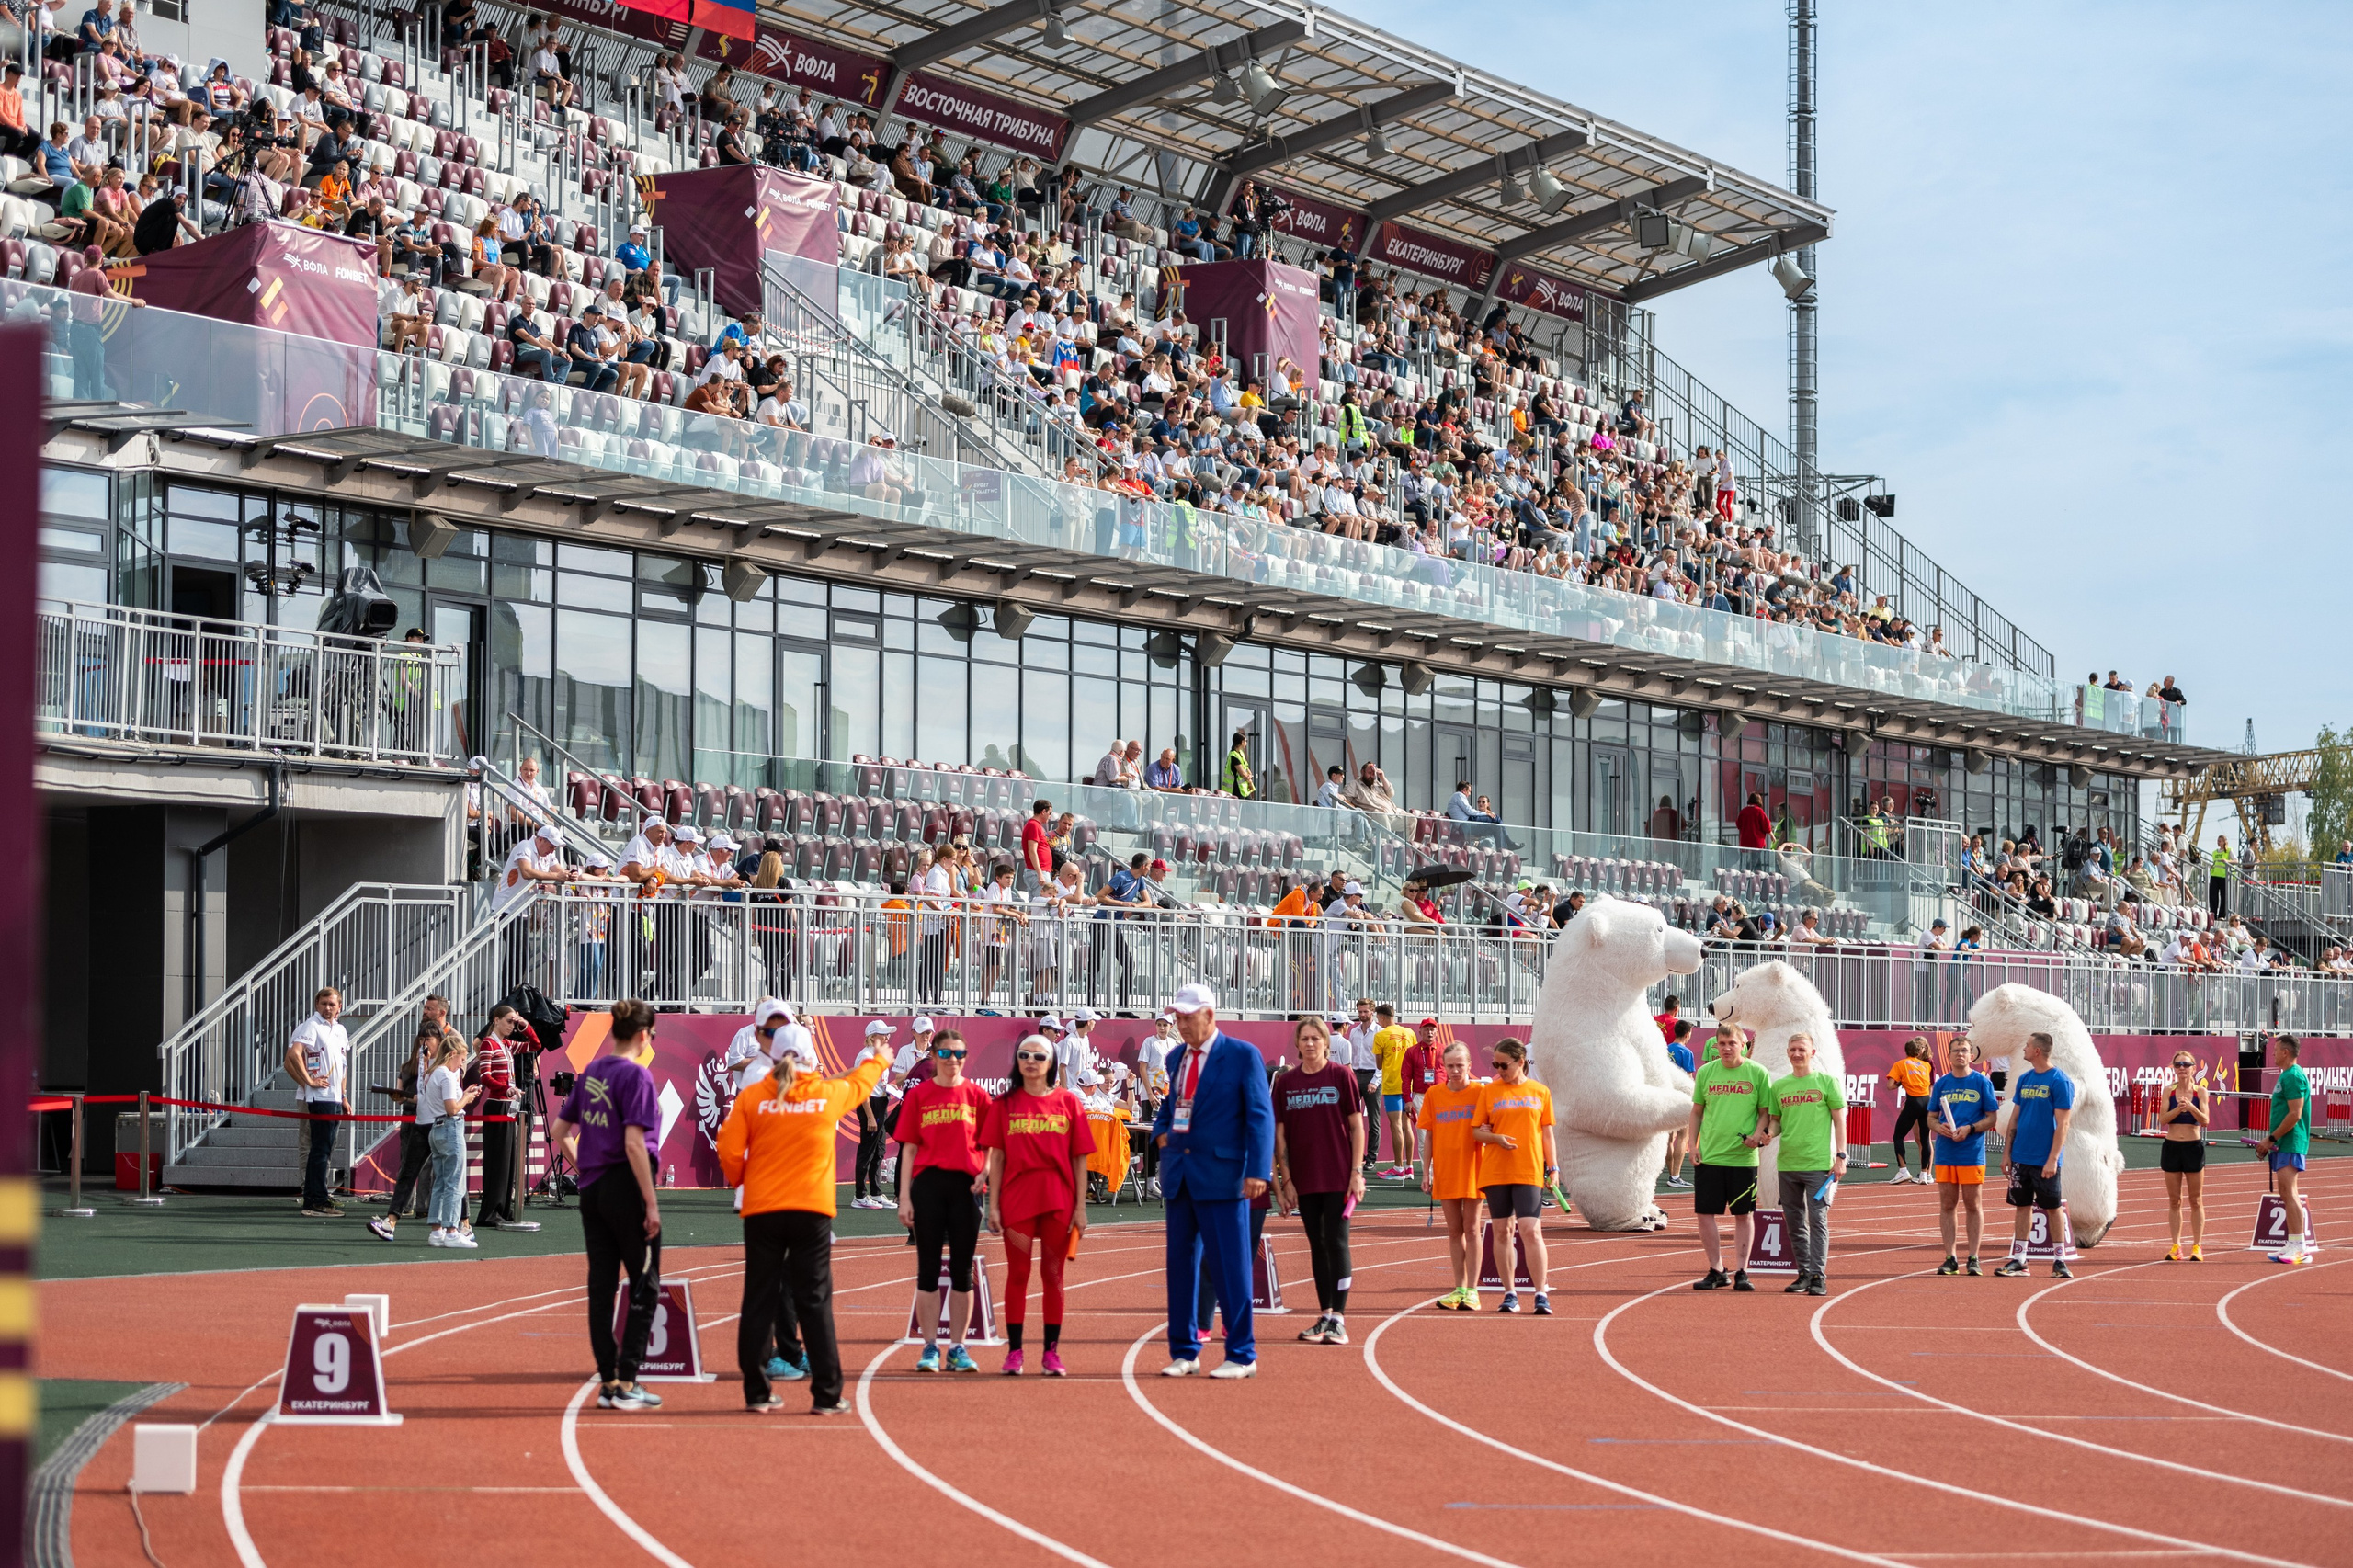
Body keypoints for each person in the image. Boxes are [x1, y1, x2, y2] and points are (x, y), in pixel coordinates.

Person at [716, 1009, 891, 1414]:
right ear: (812, 1057)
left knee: (759, 1298)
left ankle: (757, 1393)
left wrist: (744, 1180)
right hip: (811, 1209)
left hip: (762, 1209)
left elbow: (727, 1148)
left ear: (774, 1056)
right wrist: (879, 1057)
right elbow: (861, 1083)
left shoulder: (754, 1097)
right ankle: (827, 1395)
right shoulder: (824, 1095)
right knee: (814, 1302)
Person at [1152, 983, 1274, 1379]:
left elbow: (1260, 1115)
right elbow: (1171, 1106)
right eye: (1177, 1017)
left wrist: (1258, 1171)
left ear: (1209, 1015)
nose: (1181, 1024)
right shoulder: (1175, 1058)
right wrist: (1161, 1133)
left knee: (1231, 1268)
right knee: (1180, 1267)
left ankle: (1242, 1354)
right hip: (1181, 1177)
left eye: (1188, 1017)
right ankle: (1185, 1351)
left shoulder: (1241, 1055)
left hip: (1225, 1178)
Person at [551, 998, 666, 1412]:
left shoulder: (594, 1070)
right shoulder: (637, 1076)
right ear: (642, 1035)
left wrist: (586, 1168)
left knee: (602, 1285)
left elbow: (561, 1130)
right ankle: (627, 1380)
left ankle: (609, 1379)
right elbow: (635, 1143)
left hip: (594, 1189)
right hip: (625, 1186)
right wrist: (651, 1204)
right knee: (644, 1283)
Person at [982, 1032, 1094, 1375]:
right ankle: (1015, 1352)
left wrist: (1080, 1207)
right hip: (1016, 1200)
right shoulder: (1004, 1105)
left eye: (1039, 1056)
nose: (1031, 1061)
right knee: (1018, 1274)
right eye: (1024, 1055)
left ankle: (1051, 1353)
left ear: (1052, 1063)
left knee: (1052, 1275)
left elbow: (1079, 1159)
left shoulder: (1070, 1103)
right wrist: (994, 1205)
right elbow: (996, 1158)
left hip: (1058, 1202)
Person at [894, 1028, 990, 1373]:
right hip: (928, 1187)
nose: (953, 1060)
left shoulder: (977, 1096)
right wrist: (904, 1197)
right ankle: (931, 1347)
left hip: (966, 1189)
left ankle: (959, 1348)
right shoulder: (920, 1096)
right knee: (928, 1270)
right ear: (933, 1057)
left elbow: (991, 1142)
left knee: (963, 1272)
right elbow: (908, 1149)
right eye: (946, 1054)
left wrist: (986, 1172)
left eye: (960, 1054)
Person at [1272, 1017, 1367, 1344]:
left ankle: (1339, 1319)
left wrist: (1357, 1173)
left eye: (1316, 1038)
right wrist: (1286, 1181)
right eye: (1305, 1039)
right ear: (1297, 1045)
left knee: (1337, 1242)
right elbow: (1279, 1136)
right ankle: (1325, 1313)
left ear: (1327, 1042)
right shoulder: (1286, 1083)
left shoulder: (1341, 1076)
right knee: (1317, 1244)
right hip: (1304, 1177)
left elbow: (1357, 1127)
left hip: (1339, 1175)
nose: (1310, 1044)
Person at [1471, 1038, 1556, 1315]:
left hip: (1529, 1169)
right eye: (1495, 1064)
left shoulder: (1540, 1091)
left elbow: (1547, 1133)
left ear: (1520, 1062)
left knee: (1531, 1230)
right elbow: (1476, 1132)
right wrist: (1495, 1137)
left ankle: (1541, 1293)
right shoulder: (1490, 1091)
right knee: (1502, 1231)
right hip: (1496, 1170)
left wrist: (1553, 1167)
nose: (1499, 1069)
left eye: (1503, 1064)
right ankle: (1509, 1294)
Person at [1687, 1026, 1772, 1290]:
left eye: (1731, 1043)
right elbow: (1697, 1112)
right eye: (1721, 1043)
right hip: (1710, 1155)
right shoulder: (1706, 1073)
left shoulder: (1758, 1073)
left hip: (1743, 1159)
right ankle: (1716, 1269)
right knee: (1704, 1214)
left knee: (1743, 1214)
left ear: (1743, 1044)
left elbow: (1765, 1112)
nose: (1726, 1048)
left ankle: (1743, 1271)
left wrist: (1758, 1135)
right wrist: (1693, 1144)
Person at [1764, 1033, 1846, 1296]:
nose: (1796, 1054)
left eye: (1801, 1049)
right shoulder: (1780, 1086)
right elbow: (1776, 1121)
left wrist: (1841, 1156)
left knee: (1818, 1221)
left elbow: (1840, 1121)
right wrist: (1768, 1133)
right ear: (1787, 1052)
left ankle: (1818, 1276)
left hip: (1817, 1165)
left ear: (1812, 1052)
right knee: (1794, 1222)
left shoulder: (1826, 1082)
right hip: (1787, 1163)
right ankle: (1803, 1273)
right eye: (1792, 1049)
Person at [1995, 1030, 2075, 1279]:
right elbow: (2015, 1118)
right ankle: (2019, 1259)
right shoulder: (2025, 1079)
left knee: (2052, 1208)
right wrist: (2007, 1153)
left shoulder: (2060, 1081)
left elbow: (2063, 1124)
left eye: (2027, 1046)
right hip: (2021, 1156)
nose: (2024, 1050)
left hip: (2045, 1159)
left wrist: (2052, 1159)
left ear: (2037, 1051)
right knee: (2022, 1206)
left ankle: (2060, 1260)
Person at [1417, 1041, 1485, 1309]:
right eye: (1450, 1066)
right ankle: (1459, 1288)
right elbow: (1429, 1136)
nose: (1455, 1071)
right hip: (1445, 1170)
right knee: (1454, 1231)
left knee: (1472, 1229)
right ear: (1443, 1067)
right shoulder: (1434, 1095)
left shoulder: (1481, 1093)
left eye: (1460, 1065)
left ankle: (1473, 1291)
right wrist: (1426, 1171)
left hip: (1473, 1169)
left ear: (1470, 1065)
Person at [1929, 1037, 1998, 1277]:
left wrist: (1970, 1129)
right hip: (1946, 1153)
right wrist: (1940, 1128)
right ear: (1948, 1056)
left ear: (1972, 1056)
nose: (1960, 1054)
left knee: (1973, 1204)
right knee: (1947, 1204)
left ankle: (1974, 1257)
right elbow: (1931, 1117)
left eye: (1965, 1050)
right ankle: (1950, 1258)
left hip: (1971, 1152)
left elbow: (1992, 1118)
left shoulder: (1981, 1082)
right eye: (1956, 1050)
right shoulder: (1942, 1084)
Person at [285, 986, 350, 1218]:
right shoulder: (311, 1025)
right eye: (323, 1003)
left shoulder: (341, 1030)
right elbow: (293, 1055)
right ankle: (315, 1200)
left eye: (332, 1004)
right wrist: (309, 1081)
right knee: (318, 1150)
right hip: (319, 1097)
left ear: (339, 1006)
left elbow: (342, 1066)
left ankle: (317, 1196)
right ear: (316, 1005)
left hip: (333, 1097)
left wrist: (343, 1096)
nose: (328, 1008)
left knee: (325, 1149)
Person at [417, 1031, 479, 1249]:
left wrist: (465, 1095)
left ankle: (437, 1230)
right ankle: (452, 1230)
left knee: (441, 1181)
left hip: (437, 1128)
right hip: (450, 1128)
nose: (463, 1063)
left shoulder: (434, 1073)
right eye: (462, 1058)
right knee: (454, 1181)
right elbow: (452, 1108)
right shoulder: (445, 1074)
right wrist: (467, 1098)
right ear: (453, 1053)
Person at [468, 1004, 526, 1232]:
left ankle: (503, 1209)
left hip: (508, 1106)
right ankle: (490, 1211)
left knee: (509, 1161)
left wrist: (525, 1025)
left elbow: (536, 1044)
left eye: (514, 1022)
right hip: (497, 1106)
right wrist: (507, 1089)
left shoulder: (507, 1044)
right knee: (497, 1162)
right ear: (496, 1020)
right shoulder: (488, 1044)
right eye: (510, 1021)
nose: (513, 1026)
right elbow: (485, 1077)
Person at [2256, 1034, 2311, 1267]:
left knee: (2290, 1193)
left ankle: (2300, 1246)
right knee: (2285, 1194)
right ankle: (2293, 1241)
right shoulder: (2286, 1076)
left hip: (2291, 1142)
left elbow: (2295, 1114)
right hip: (2283, 1143)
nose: (2273, 1053)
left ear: (2286, 1052)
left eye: (2276, 1049)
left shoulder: (2294, 1076)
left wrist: (2271, 1138)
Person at [2157, 1050, 2210, 1263]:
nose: (2182, 1068)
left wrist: (2191, 1108)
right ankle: (2176, 1245)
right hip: (2172, 1146)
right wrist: (2178, 1110)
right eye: (2178, 1064)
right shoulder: (2168, 1091)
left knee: (2196, 1200)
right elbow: (2162, 1119)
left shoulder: (2201, 1092)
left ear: (2193, 1068)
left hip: (2193, 1146)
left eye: (2186, 1065)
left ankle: (2197, 1246)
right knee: (2174, 1200)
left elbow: (2205, 1120)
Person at [850, 1018, 894, 1208]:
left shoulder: (877, 1055)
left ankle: (876, 1193)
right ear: (872, 1037)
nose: (887, 1037)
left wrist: (889, 1090)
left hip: (880, 1103)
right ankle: (859, 1195)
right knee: (867, 1151)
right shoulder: (866, 1056)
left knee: (879, 1150)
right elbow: (862, 1090)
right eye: (883, 1034)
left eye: (887, 1033)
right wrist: (869, 1115)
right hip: (870, 1106)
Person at [1371, 1004, 1415, 1176]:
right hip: (1408, 1086)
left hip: (1391, 1085)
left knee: (1396, 1126)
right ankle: (1410, 1167)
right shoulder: (1409, 1033)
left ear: (1382, 1017)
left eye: (1378, 1017)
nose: (1377, 1021)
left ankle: (1398, 1168)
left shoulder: (1381, 1035)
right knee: (1407, 1126)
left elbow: (1379, 1064)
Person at [1885, 1037, 1935, 1184]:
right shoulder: (1926, 1066)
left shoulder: (1900, 1064)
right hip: (1927, 1102)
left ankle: (1903, 1170)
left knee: (1898, 1137)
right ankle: (1924, 1174)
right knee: (1925, 1139)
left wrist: (1900, 1083)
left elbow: (1890, 1085)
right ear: (1919, 1052)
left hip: (1913, 1102)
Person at [1662, 1020, 1697, 1187]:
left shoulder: (1664, 1049)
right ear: (1687, 1034)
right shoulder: (1687, 1052)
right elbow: (1689, 1079)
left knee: (1669, 1137)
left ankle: (1671, 1174)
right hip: (1681, 1098)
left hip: (1666, 1095)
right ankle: (1675, 1177)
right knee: (1683, 1135)